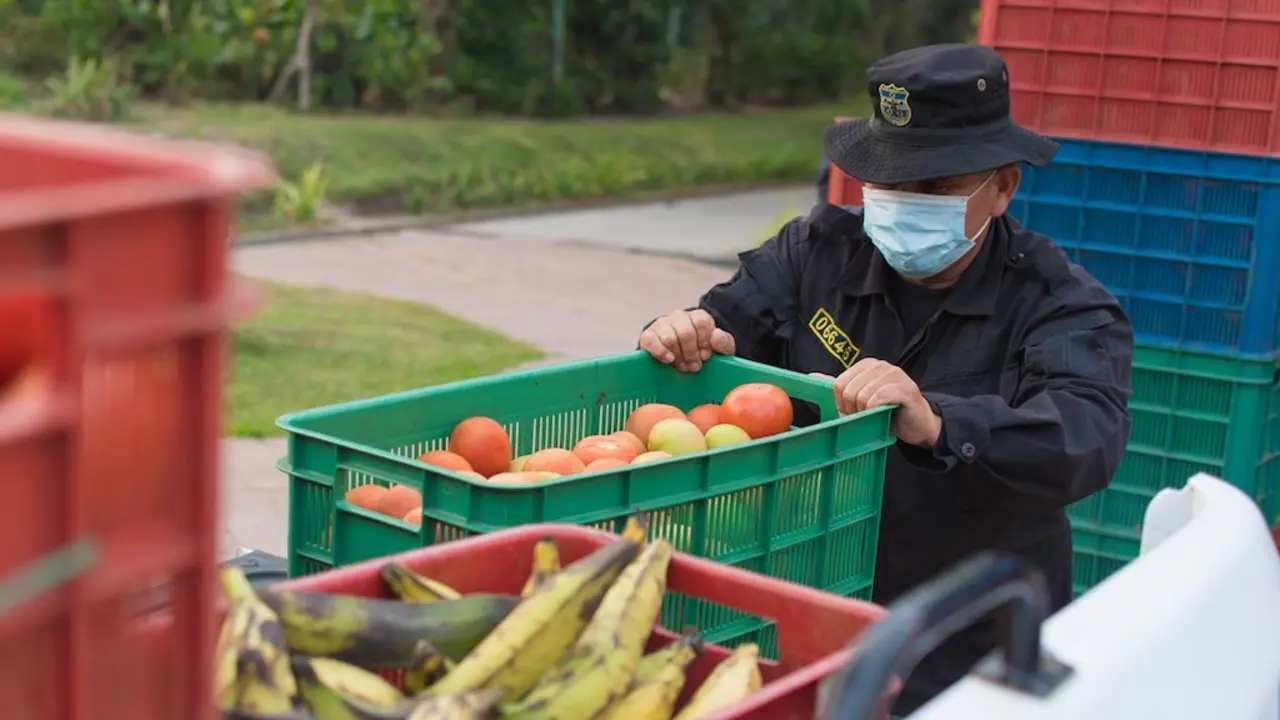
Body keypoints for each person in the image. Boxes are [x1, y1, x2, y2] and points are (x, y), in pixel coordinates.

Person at [638, 43, 1133, 715]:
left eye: (932, 188)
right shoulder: (816, 251)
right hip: (801, 596)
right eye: (889, 181)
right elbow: (732, 318)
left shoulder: (1057, 303)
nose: (903, 204)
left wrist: (938, 423)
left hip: (965, 635)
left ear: (1003, 186)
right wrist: (695, 333)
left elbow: (1084, 435)